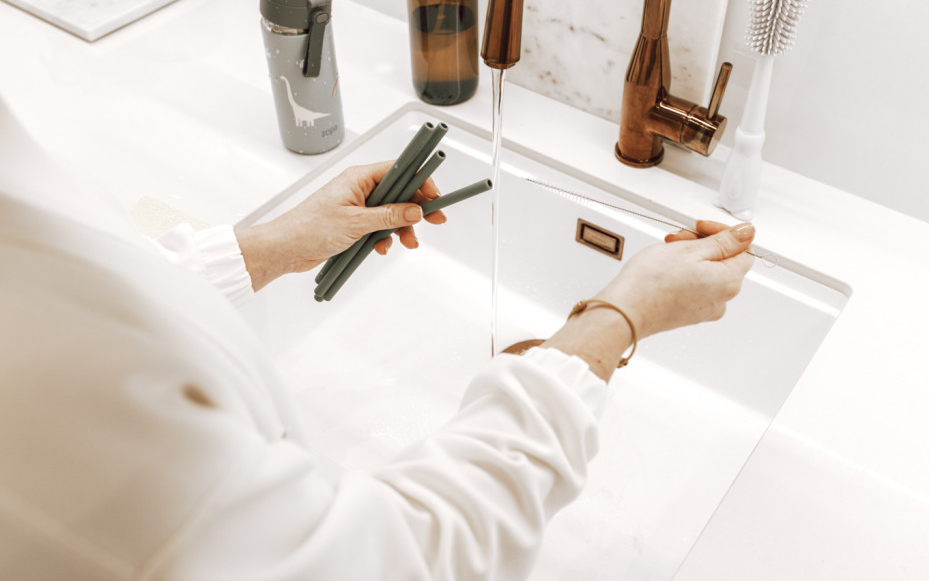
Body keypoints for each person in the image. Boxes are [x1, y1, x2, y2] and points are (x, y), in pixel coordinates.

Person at [0, 96, 755, 580]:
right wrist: (618, 316)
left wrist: (272, 245)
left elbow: (88, 290)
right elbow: (402, 559)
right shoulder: (55, 401)